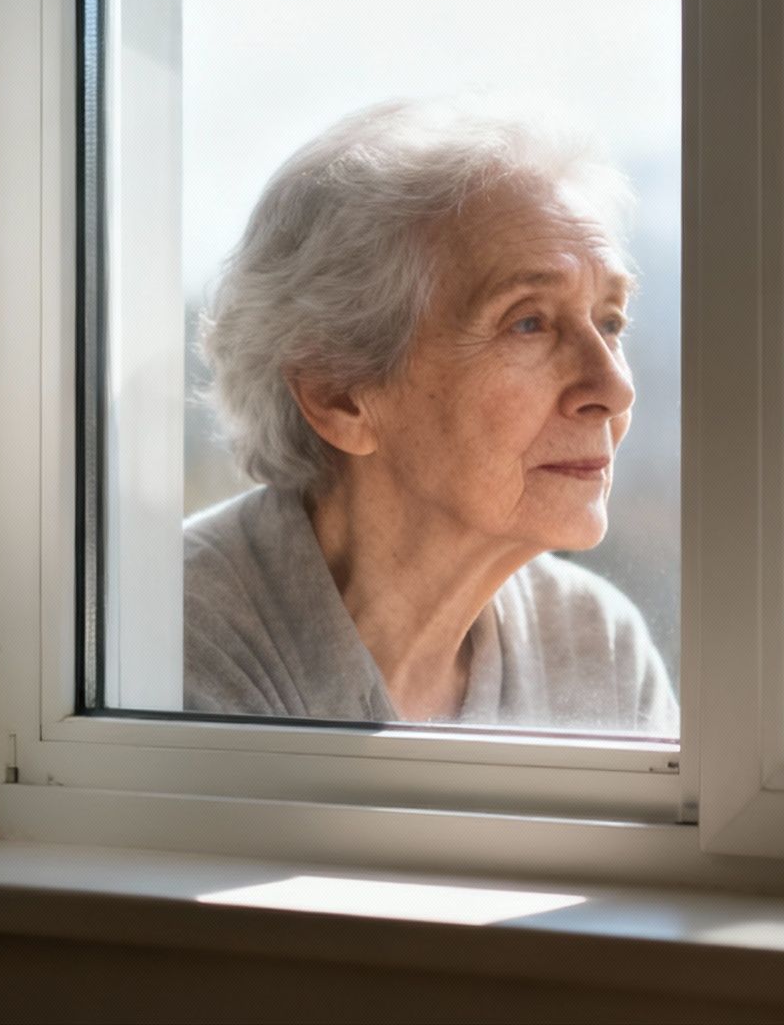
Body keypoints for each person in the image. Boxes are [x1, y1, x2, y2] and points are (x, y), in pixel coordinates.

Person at [183, 98, 677, 734]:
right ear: (341, 394)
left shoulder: (597, 647)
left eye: (609, 323)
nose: (614, 388)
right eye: (528, 323)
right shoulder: (168, 648)